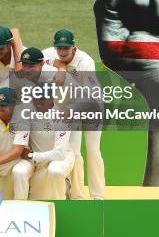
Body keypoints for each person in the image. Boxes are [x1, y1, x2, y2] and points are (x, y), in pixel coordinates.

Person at [43, 29, 105, 200]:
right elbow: (32, 59)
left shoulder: (85, 62)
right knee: (73, 153)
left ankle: (98, 196)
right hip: (68, 110)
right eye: (59, 48)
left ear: (74, 47)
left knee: (93, 150)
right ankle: (76, 195)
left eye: (66, 48)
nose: (62, 52)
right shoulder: (49, 53)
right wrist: (60, 67)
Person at [11, 85, 75, 200]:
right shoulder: (26, 112)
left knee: (55, 171)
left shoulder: (62, 115)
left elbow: (59, 154)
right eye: (35, 98)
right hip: (35, 159)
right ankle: (19, 209)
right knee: (18, 172)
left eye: (42, 98)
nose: (38, 102)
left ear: (51, 98)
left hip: (61, 157)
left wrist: (33, 155)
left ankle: (63, 202)